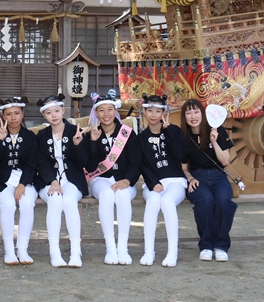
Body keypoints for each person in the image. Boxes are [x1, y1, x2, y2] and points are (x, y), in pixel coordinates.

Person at [86, 90, 141, 265]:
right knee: (107, 194)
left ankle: (122, 247)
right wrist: (92, 142)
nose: (106, 114)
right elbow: (90, 166)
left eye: (110, 109)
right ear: (96, 112)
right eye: (101, 110)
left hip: (124, 179)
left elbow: (136, 162)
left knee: (123, 195)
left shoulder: (127, 133)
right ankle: (110, 247)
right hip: (100, 180)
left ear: (115, 111)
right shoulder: (92, 133)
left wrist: (128, 180)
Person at [0, 96, 39, 265]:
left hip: (25, 180)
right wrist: (0, 140)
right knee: (8, 204)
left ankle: (22, 249)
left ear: (23, 114)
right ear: (3, 116)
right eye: (8, 114)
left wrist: (22, 183)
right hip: (2, 181)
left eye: (16, 113)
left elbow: (32, 164)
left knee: (27, 203)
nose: (13, 118)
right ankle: (9, 251)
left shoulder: (30, 137)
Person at [36, 94, 89, 268]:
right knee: (55, 200)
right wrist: (52, 181)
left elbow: (84, 162)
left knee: (68, 201)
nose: (54, 115)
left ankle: (76, 252)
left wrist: (77, 145)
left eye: (57, 111)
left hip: (72, 180)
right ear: (44, 115)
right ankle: (54, 252)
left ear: (63, 111)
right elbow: (42, 162)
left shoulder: (75, 130)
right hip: (48, 181)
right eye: (49, 112)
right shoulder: (42, 135)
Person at [180, 98, 237, 262]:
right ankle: (206, 245)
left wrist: (214, 141)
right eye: (188, 113)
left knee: (223, 200)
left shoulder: (217, 129)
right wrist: (190, 179)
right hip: (197, 176)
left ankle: (221, 245)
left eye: (196, 112)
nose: (193, 116)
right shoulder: (183, 137)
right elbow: (183, 168)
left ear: (202, 113)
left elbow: (225, 161)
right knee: (205, 200)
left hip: (219, 175)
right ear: (184, 116)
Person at [137, 94, 189, 267]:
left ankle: (172, 251)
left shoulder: (174, 131)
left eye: (157, 111)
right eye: (150, 110)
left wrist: (169, 132)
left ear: (163, 113)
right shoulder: (141, 137)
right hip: (153, 182)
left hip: (175, 181)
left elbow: (183, 156)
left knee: (167, 201)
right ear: (144, 112)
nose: (153, 115)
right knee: (153, 200)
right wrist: (153, 183)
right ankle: (148, 251)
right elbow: (142, 164)